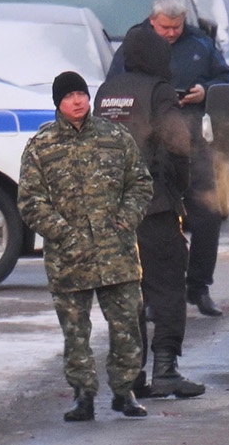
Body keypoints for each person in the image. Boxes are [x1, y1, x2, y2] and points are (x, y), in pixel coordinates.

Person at [18, 70, 155, 421]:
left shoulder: (114, 137)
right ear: (57, 103)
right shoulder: (42, 146)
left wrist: (125, 219)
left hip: (116, 253)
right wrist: (62, 233)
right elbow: (31, 200)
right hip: (69, 257)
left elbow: (139, 183)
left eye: (81, 94)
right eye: (69, 96)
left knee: (127, 325)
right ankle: (83, 395)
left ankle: (125, 391)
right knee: (76, 331)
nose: (77, 101)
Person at [96, 25, 205, 400]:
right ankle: (165, 369)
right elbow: (178, 144)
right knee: (167, 287)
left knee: (127, 293)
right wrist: (182, 189)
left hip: (111, 213)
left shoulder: (106, 93)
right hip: (154, 208)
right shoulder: (159, 91)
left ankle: (130, 374)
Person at [113, 0, 229, 316]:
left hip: (193, 140)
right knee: (153, 220)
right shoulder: (135, 43)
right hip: (147, 145)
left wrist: (204, 92)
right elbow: (116, 85)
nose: (170, 33)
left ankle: (199, 287)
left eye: (176, 27)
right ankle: (152, 294)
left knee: (208, 215)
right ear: (152, 21)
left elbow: (227, 78)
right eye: (165, 27)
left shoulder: (200, 44)